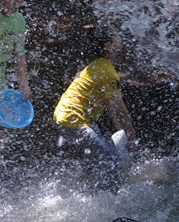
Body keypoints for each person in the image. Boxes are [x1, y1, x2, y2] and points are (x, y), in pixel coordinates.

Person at [53, 26, 135, 191]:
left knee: (95, 156)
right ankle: (105, 197)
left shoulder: (99, 66)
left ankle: (87, 188)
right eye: (116, 38)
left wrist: (122, 132)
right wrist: (132, 136)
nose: (120, 39)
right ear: (108, 46)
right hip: (73, 119)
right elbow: (120, 110)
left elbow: (113, 109)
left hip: (68, 115)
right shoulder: (108, 72)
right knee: (111, 158)